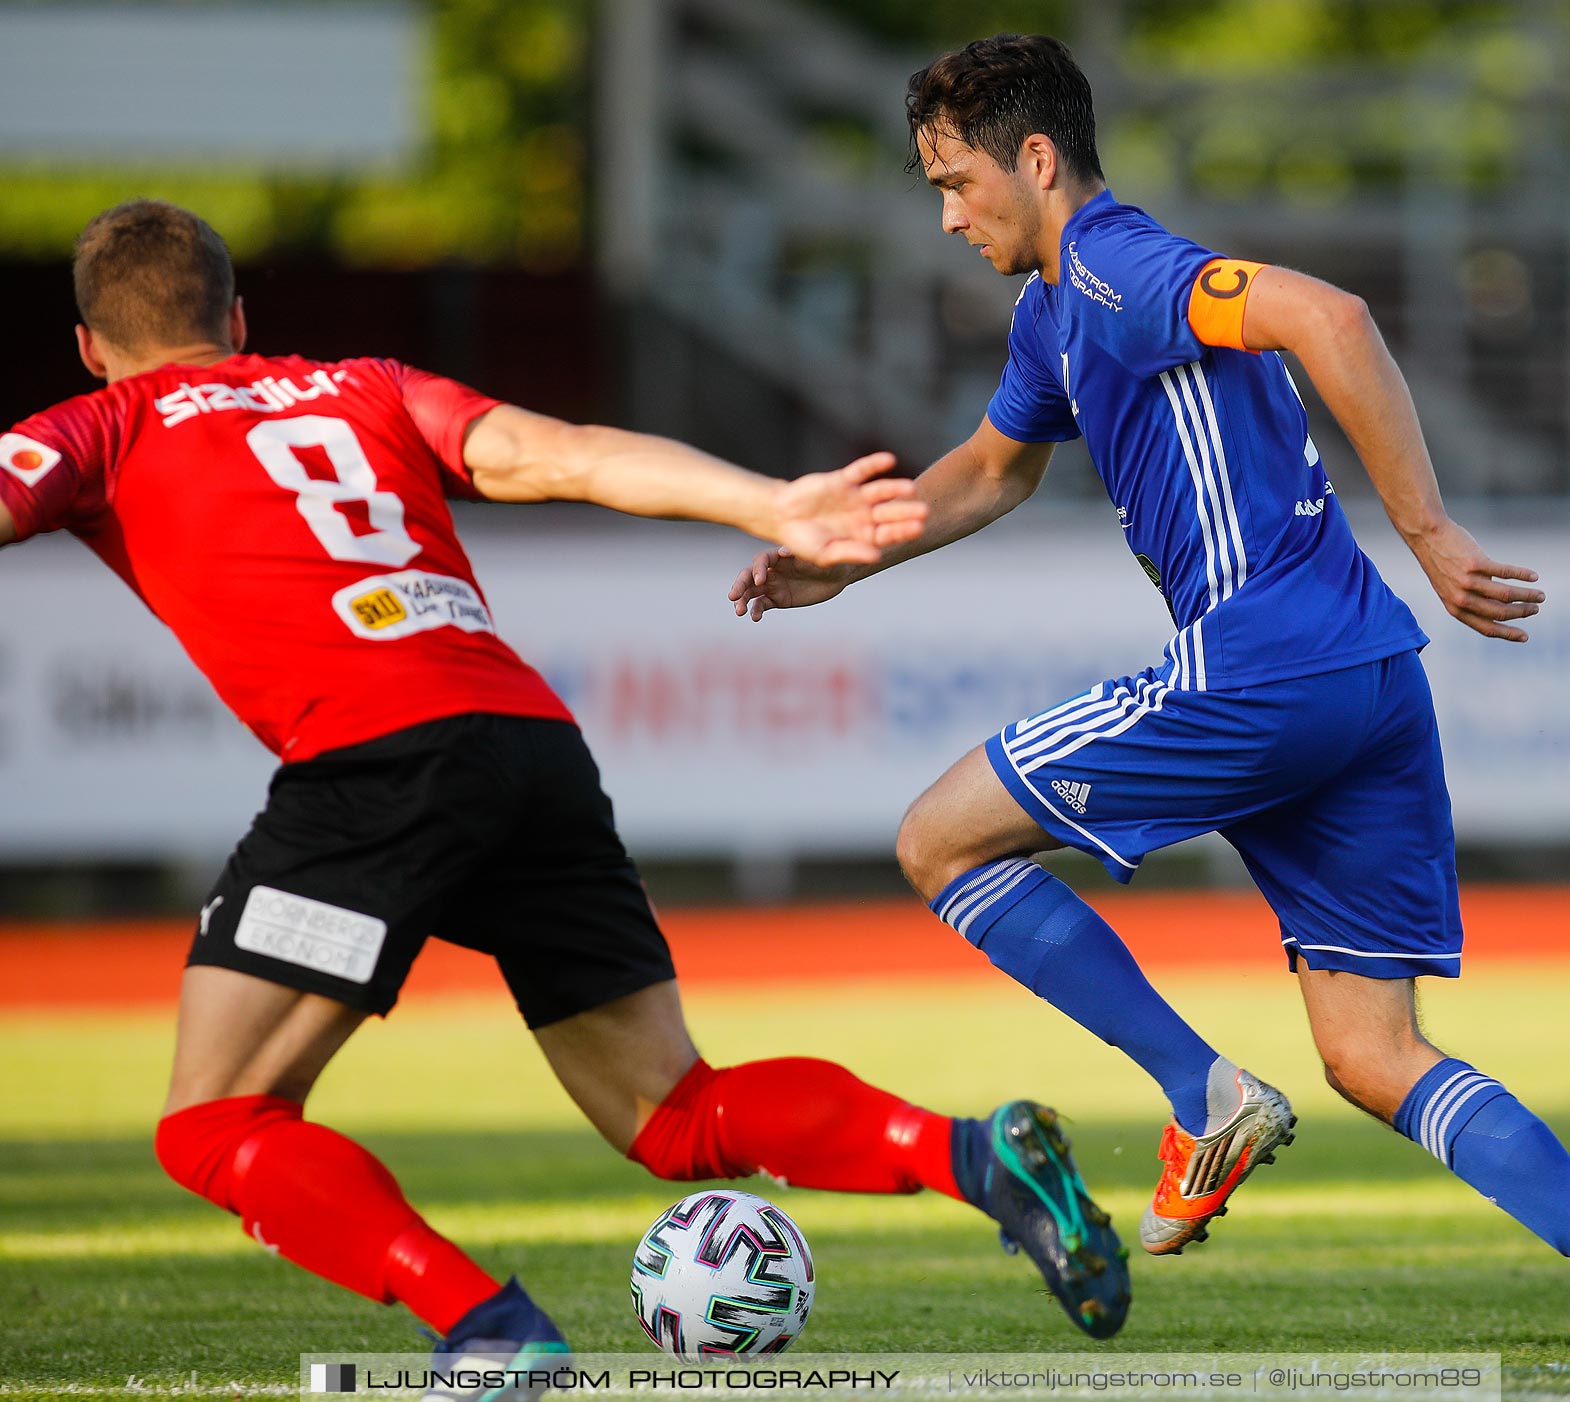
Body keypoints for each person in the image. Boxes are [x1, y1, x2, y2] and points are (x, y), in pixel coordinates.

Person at [0, 198, 1132, 1365]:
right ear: (238, 318)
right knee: (671, 1110)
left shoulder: (99, 422)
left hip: (375, 759)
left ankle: (484, 1330)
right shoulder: (367, 386)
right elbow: (568, 453)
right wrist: (772, 501)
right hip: (523, 736)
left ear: (89, 344)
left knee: (214, 1121)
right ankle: (970, 1155)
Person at [729, 34, 1570, 1359]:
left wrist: (1428, 533)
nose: (949, 213)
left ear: (1037, 159)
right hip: (1364, 680)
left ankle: (1201, 1087)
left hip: (1266, 661)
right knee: (1372, 1053)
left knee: (937, 838)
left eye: (956, 180)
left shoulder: (1117, 263)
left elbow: (1335, 318)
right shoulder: (1051, 313)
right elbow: (988, 471)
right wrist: (848, 561)